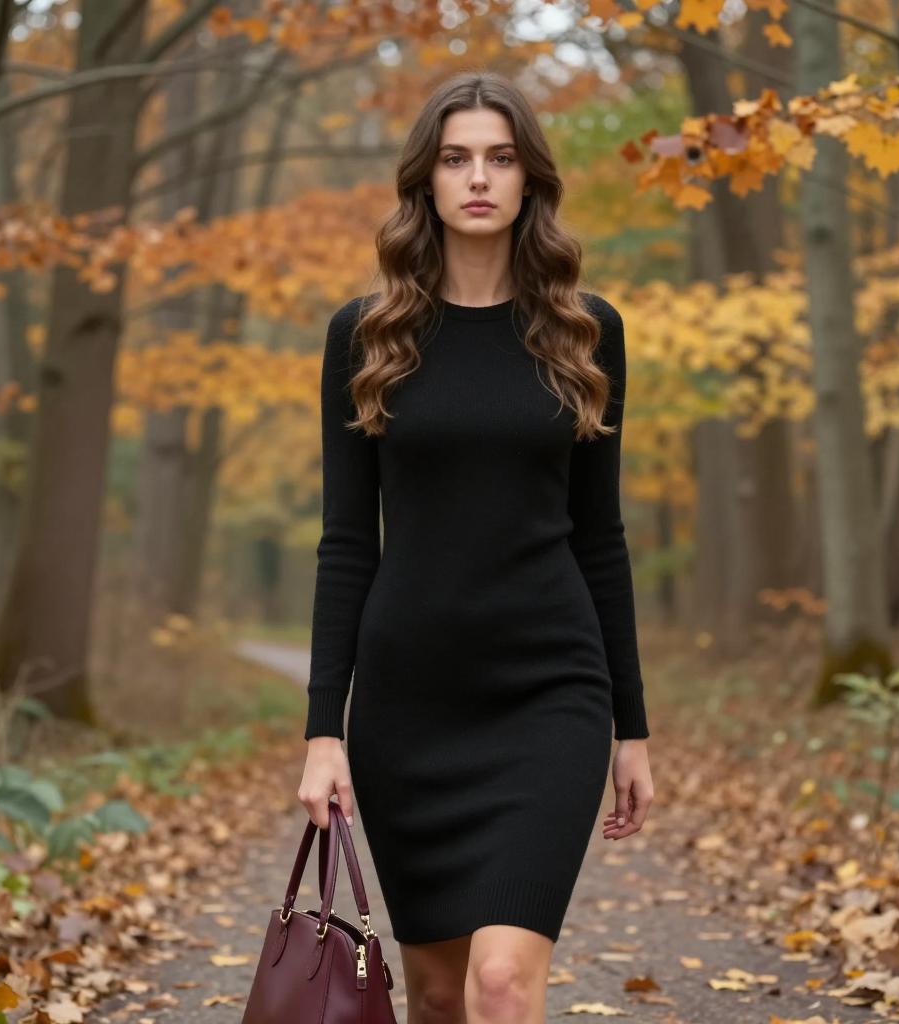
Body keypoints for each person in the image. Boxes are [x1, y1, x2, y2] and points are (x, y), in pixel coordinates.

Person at [297, 70, 654, 1024]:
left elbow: (602, 537)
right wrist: (323, 730)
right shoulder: (365, 339)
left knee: (504, 980)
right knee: (439, 992)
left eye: (500, 157)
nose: (479, 178)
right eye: (457, 158)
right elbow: (345, 543)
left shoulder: (585, 335)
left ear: (531, 178)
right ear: (427, 181)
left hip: (549, 690)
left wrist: (633, 726)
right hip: (410, 703)